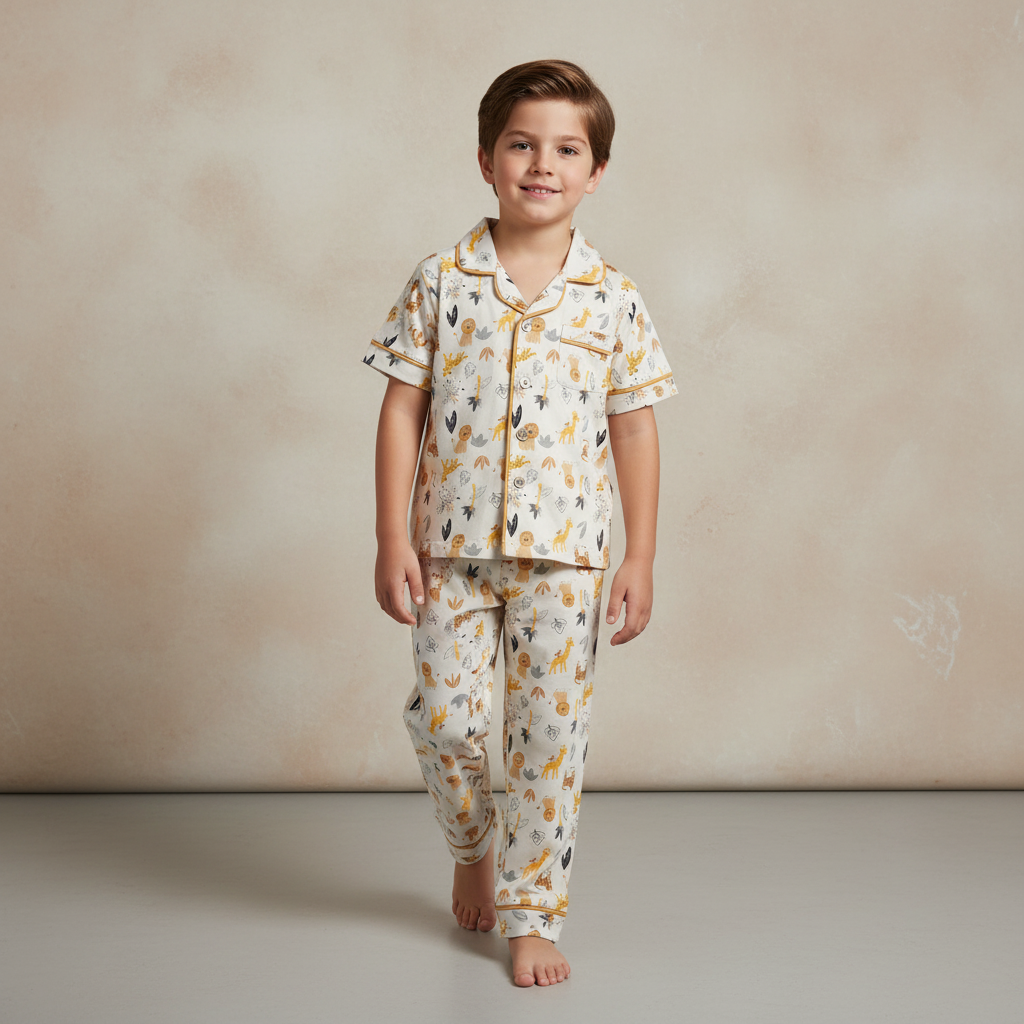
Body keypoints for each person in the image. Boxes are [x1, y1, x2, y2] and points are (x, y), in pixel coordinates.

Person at [363, 59, 677, 988]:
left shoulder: (613, 296)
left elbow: (635, 426)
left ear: (596, 171)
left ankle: (532, 912)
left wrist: (641, 555)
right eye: (522, 145)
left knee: (548, 738)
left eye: (567, 150)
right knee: (448, 722)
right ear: (485, 159)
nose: (543, 164)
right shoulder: (440, 281)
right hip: (450, 551)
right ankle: (472, 846)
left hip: (567, 560)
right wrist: (390, 536)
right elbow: (402, 410)